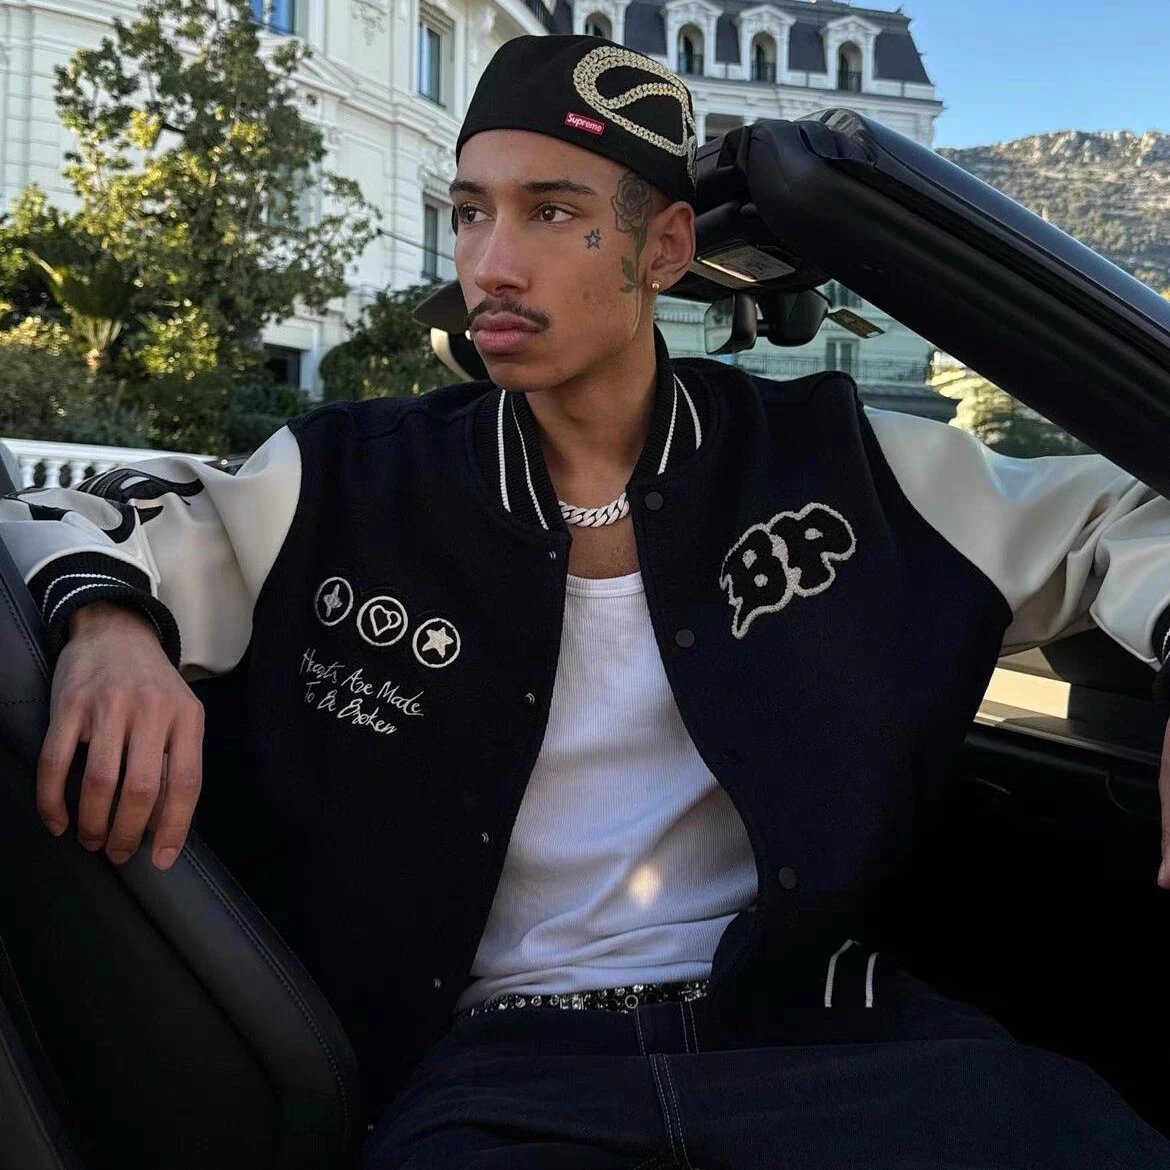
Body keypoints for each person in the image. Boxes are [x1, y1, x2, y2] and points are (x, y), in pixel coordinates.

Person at [2, 32, 1169, 1169]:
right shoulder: (351, 479)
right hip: (497, 1077)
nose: (490, 264)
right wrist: (109, 626)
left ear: (663, 250)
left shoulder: (842, 463)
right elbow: (92, 510)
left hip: (820, 1038)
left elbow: (1124, 509)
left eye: (551, 214)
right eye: (470, 212)